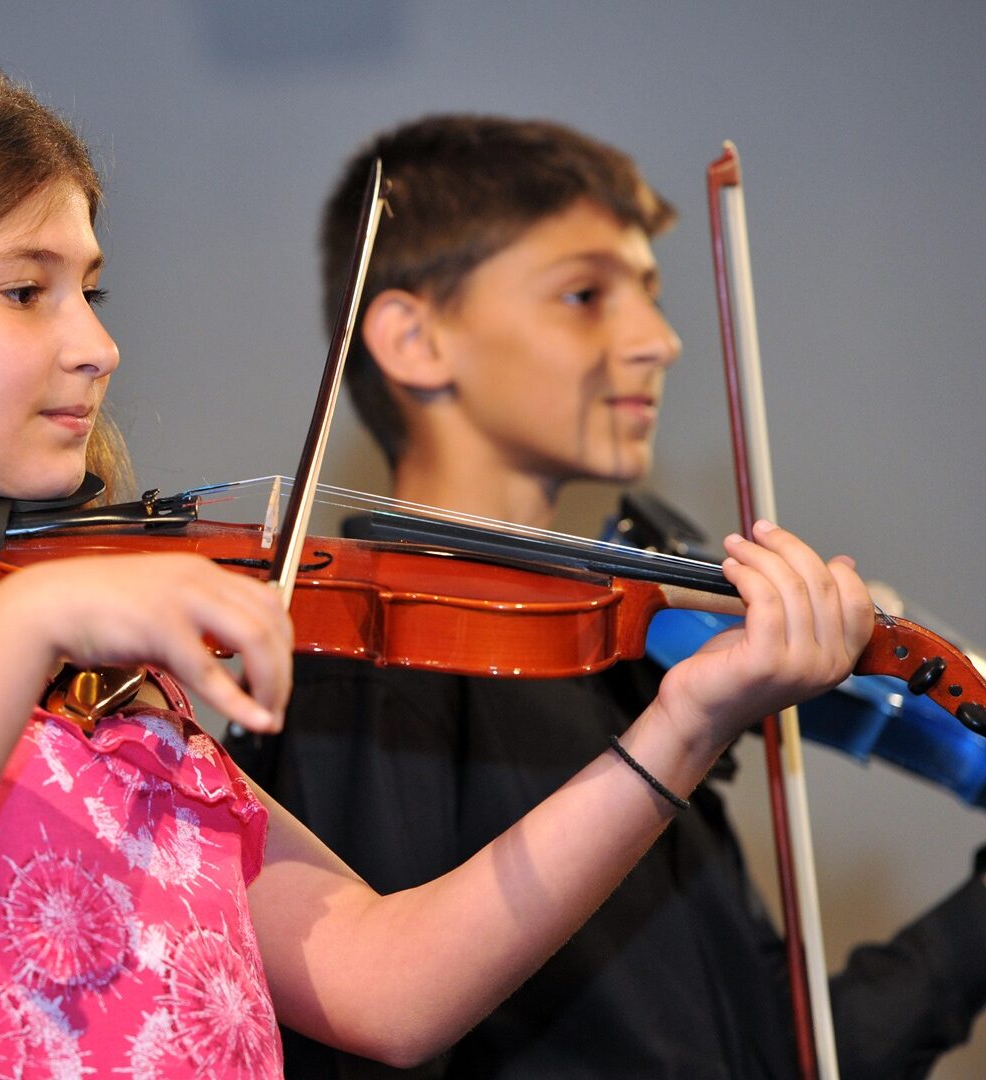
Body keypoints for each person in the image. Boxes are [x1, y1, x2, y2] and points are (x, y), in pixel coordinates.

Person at [0, 53, 875, 1077]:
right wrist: (22, 628)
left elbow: (383, 981)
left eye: (92, 288)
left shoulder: (93, 675)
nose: (97, 344)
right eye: (25, 287)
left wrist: (686, 726)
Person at [226, 114, 986, 1078]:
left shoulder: (620, 658)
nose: (660, 342)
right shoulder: (366, 674)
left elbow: (767, 1058)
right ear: (414, 339)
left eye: (653, 295)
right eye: (585, 294)